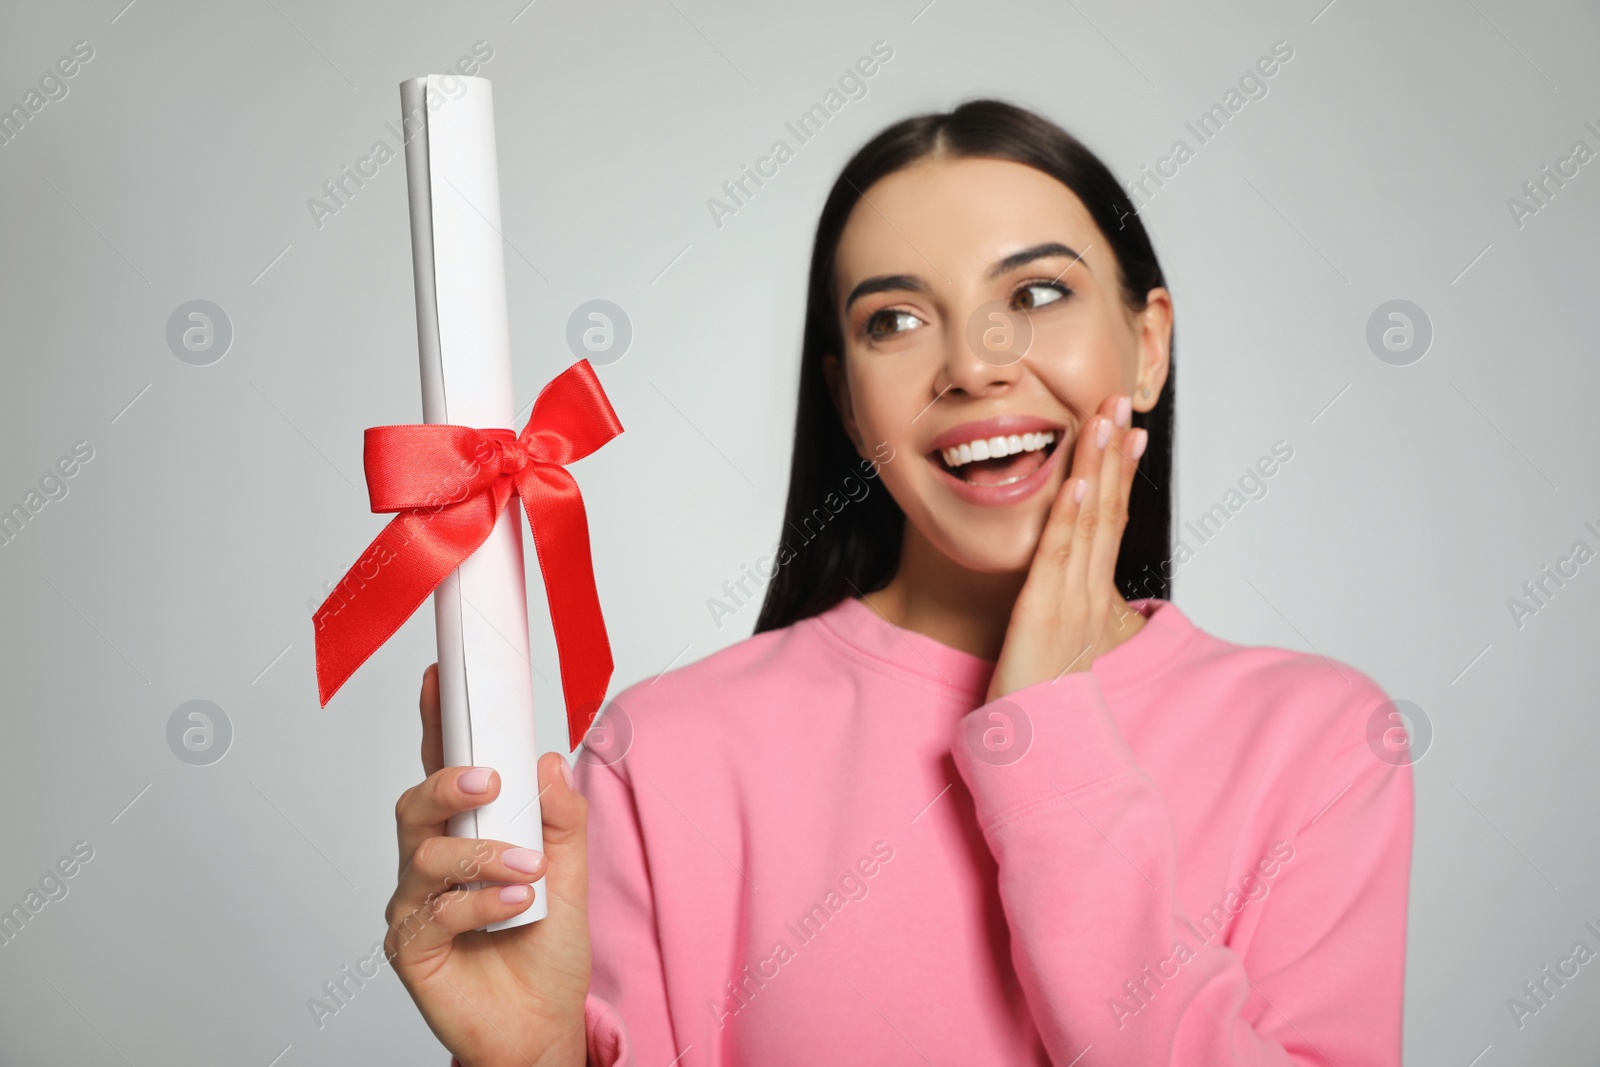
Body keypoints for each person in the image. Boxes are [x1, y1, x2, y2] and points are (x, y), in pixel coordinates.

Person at [383, 99, 1413, 1066]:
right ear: (845, 397)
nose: (973, 364)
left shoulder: (1320, 742)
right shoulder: (666, 756)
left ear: (1147, 346)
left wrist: (1046, 735)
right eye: (894, 319)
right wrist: (534, 1055)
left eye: (1037, 294)